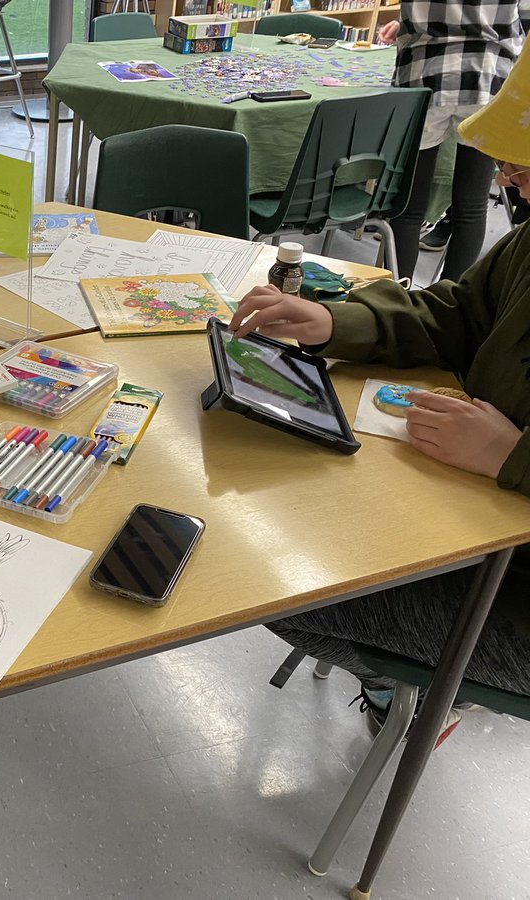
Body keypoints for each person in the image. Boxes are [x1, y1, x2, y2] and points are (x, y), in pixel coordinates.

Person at [227, 57, 530, 742]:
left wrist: (513, 456)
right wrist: (339, 322)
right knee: (299, 520)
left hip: (513, 600)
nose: (508, 179)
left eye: (523, 164)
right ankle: (408, 680)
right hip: (473, 523)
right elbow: (457, 314)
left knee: (274, 588)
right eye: (510, 163)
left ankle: (412, 690)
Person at [374, 1, 523, 283]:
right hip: (488, 74)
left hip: (424, 70)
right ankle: (452, 306)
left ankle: (396, 303)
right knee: (471, 207)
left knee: (408, 209)